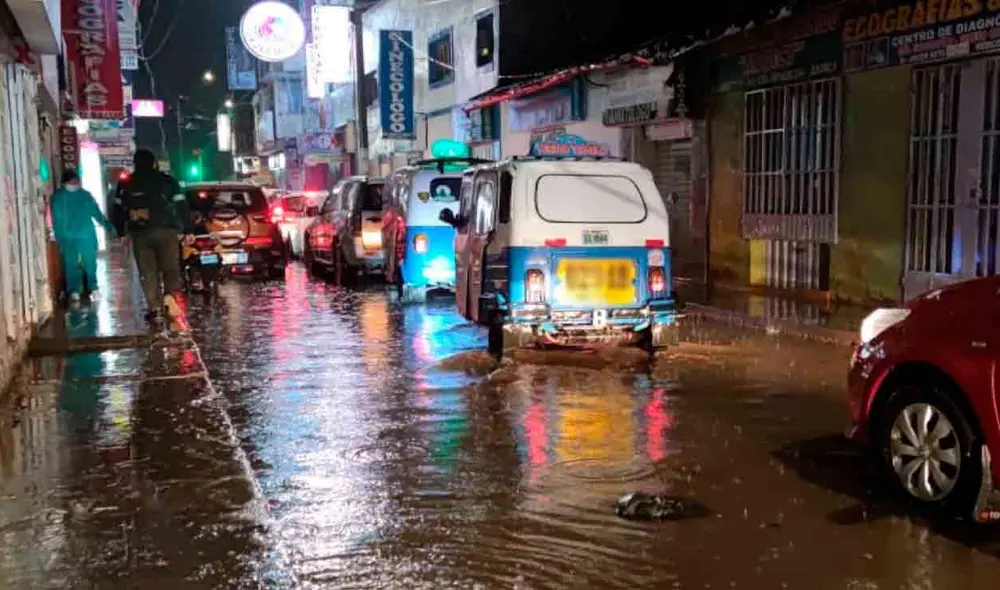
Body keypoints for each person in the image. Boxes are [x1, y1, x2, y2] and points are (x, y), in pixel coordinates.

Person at [112, 149, 193, 330]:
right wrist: (187, 229)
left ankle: (154, 308)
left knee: (148, 273)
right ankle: (171, 301)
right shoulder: (167, 181)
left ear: (135, 163)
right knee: (170, 269)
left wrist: (121, 232)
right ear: (154, 163)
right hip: (166, 231)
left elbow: (117, 209)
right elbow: (181, 205)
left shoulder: (126, 183)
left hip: (140, 234)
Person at [50, 169, 115, 303]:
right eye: (72, 181)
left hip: (78, 235)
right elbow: (56, 219)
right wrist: (59, 235)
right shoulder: (63, 197)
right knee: (76, 263)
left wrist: (107, 226)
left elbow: (96, 213)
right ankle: (80, 290)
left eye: (75, 181)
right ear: (65, 182)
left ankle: (87, 289)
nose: (74, 184)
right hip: (75, 236)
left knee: (83, 263)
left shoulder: (74, 196)